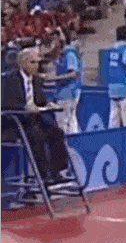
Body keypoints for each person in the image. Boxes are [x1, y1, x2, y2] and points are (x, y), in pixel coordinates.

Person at [1, 47, 73, 184]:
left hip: (35, 120)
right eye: (33, 62)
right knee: (37, 135)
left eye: (38, 63)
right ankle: (43, 175)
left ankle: (57, 172)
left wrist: (49, 105)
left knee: (57, 132)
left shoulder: (37, 80)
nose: (37, 66)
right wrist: (25, 108)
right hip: (15, 122)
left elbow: (41, 101)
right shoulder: (9, 80)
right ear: (23, 63)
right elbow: (6, 103)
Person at [40, 27, 82, 134]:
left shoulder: (69, 54)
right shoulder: (59, 55)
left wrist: (53, 78)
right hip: (62, 90)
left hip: (69, 91)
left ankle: (67, 140)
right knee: (70, 120)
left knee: (63, 121)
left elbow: (73, 73)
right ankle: (72, 140)